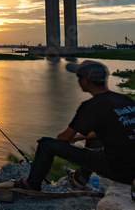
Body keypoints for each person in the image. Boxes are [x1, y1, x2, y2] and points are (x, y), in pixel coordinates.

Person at [14, 60, 135, 191]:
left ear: (85, 81)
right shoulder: (124, 100)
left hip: (120, 171)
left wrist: (68, 138)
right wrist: (78, 138)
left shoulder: (91, 106)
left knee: (46, 144)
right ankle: (80, 179)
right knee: (93, 140)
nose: (78, 81)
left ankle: (31, 184)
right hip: (130, 165)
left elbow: (63, 138)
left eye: (79, 78)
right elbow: (115, 129)